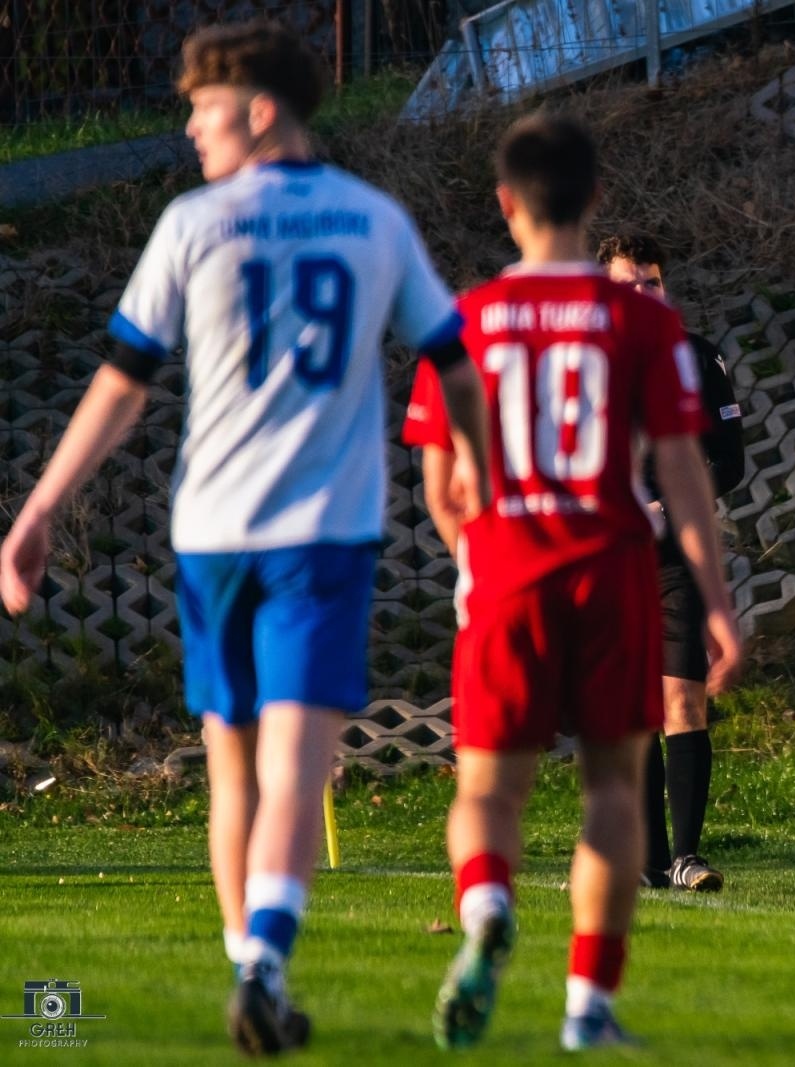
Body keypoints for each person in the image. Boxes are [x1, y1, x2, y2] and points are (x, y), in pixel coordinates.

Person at [0, 21, 491, 1055]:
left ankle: (247, 966)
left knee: (235, 768)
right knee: (296, 765)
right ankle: (265, 964)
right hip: (323, 534)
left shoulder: (193, 225)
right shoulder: (374, 220)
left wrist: (38, 509)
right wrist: (478, 473)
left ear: (260, 110)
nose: (187, 127)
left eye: (202, 106)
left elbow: (122, 385)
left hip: (212, 535)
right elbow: (453, 357)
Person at [401, 114, 742, 1052]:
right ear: (594, 201)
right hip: (615, 572)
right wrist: (715, 603)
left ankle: (484, 913)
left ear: (505, 205)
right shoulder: (644, 320)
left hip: (508, 572)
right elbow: (684, 473)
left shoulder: (460, 320)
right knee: (612, 793)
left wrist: (481, 557)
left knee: (487, 790)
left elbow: (441, 489)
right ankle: (588, 1007)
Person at [596, 232, 745, 893]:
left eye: (650, 282)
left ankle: (687, 854)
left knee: (682, 701)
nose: (640, 294)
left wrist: (672, 507)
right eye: (626, 283)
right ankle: (648, 860)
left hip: (680, 558)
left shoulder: (698, 360)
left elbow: (729, 461)